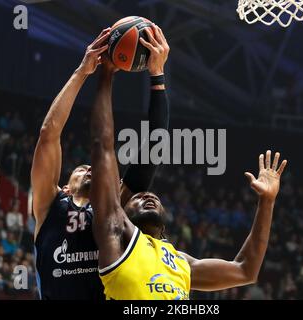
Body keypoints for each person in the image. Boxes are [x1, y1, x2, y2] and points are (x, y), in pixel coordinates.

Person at [90, 25, 288, 300]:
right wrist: (106, 74)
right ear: (121, 209)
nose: (148, 196)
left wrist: (266, 203)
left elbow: (245, 271)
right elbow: (103, 148)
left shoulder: (180, 263)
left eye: (152, 197)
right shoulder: (115, 230)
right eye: (138, 198)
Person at [31, 26, 170, 300]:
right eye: (81, 168)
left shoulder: (114, 203)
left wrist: (157, 75)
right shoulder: (49, 204)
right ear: (65, 188)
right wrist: (82, 71)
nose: (90, 168)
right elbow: (49, 134)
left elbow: (156, 144)